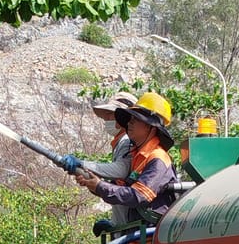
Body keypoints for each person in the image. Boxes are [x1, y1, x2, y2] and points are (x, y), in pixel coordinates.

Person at [74, 91, 178, 225]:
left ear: (151, 127)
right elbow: (121, 190)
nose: (130, 123)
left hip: (153, 236)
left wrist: (100, 186)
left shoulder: (157, 158)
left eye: (136, 120)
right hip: (136, 233)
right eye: (130, 119)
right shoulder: (137, 156)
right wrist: (93, 184)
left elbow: (139, 196)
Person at [61, 92, 138, 233]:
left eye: (111, 115)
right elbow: (117, 187)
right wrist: (93, 184)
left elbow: (121, 170)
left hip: (130, 230)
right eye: (107, 115)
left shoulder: (127, 141)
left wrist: (82, 164)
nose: (107, 119)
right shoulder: (120, 143)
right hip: (123, 227)